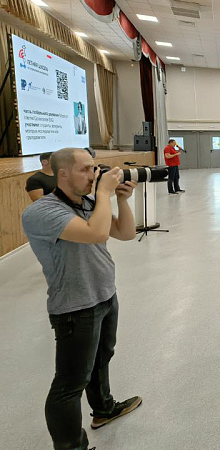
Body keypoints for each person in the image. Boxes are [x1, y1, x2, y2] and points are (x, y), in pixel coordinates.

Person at [20, 148, 142, 450]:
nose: (94, 174)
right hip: (75, 307)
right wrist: (104, 193)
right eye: (86, 169)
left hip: (105, 294)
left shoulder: (88, 202)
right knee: (69, 384)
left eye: (94, 168)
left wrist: (121, 200)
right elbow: (96, 234)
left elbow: (125, 233)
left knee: (101, 360)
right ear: (63, 174)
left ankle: (104, 410)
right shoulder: (42, 212)